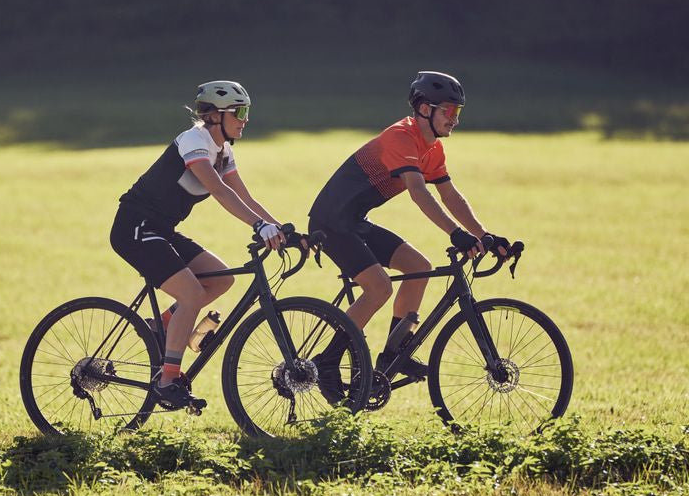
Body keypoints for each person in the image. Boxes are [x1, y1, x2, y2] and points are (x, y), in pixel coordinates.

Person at [307, 71, 511, 402]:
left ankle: (392, 354)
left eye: (457, 112)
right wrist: (456, 234)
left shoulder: (432, 149)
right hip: (329, 223)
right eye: (449, 111)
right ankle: (327, 360)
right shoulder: (401, 138)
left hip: (354, 221)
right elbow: (419, 192)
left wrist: (485, 235)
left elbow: (451, 196)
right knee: (379, 287)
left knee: (419, 267)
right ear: (424, 109)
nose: (454, 120)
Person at [110, 80, 285, 409]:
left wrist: (281, 229)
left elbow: (243, 196)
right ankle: (167, 381)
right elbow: (219, 191)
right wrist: (259, 227)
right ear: (217, 116)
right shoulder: (194, 141)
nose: (246, 119)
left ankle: (162, 326)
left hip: (161, 228)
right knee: (191, 293)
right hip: (135, 227)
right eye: (240, 112)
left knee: (221, 278)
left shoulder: (224, 149)